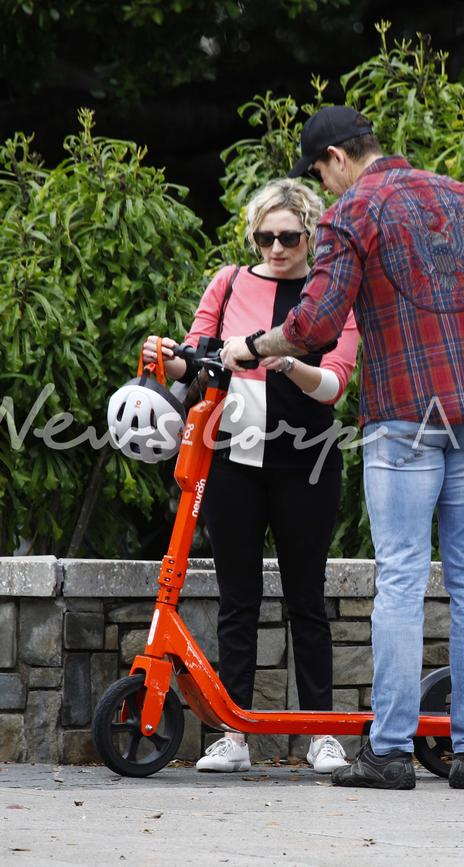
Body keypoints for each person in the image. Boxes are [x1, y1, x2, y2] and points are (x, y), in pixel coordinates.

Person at [221, 106, 464, 790]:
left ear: (337, 157)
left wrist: (250, 346)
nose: (325, 186)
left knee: (400, 574)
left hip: (403, 419)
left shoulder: (355, 213)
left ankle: (390, 752)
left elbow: (313, 325)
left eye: (320, 171)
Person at [142, 178, 358, 774]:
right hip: (233, 462)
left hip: (306, 464)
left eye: (288, 236)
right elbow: (195, 359)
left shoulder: (330, 293)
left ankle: (321, 731)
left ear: (309, 235)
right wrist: (167, 353)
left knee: (306, 600)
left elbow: (336, 384)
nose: (276, 248)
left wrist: (283, 361)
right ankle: (231, 733)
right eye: (265, 236)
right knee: (237, 600)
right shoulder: (229, 281)